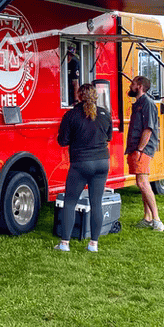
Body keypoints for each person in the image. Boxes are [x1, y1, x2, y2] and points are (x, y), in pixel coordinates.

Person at [55, 83, 112, 252]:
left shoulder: (71, 115)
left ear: (79, 96)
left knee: (70, 202)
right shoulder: (104, 114)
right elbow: (108, 137)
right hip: (102, 162)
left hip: (81, 163)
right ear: (95, 96)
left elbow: (62, 141)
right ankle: (93, 244)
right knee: (96, 203)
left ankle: (64, 243)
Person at [125, 76, 164, 231]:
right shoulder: (139, 104)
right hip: (138, 148)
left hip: (143, 149)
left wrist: (140, 150)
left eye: (133, 84)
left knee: (142, 183)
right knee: (142, 183)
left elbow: (148, 130)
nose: (130, 86)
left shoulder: (147, 103)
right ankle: (147, 218)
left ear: (139, 86)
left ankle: (157, 220)